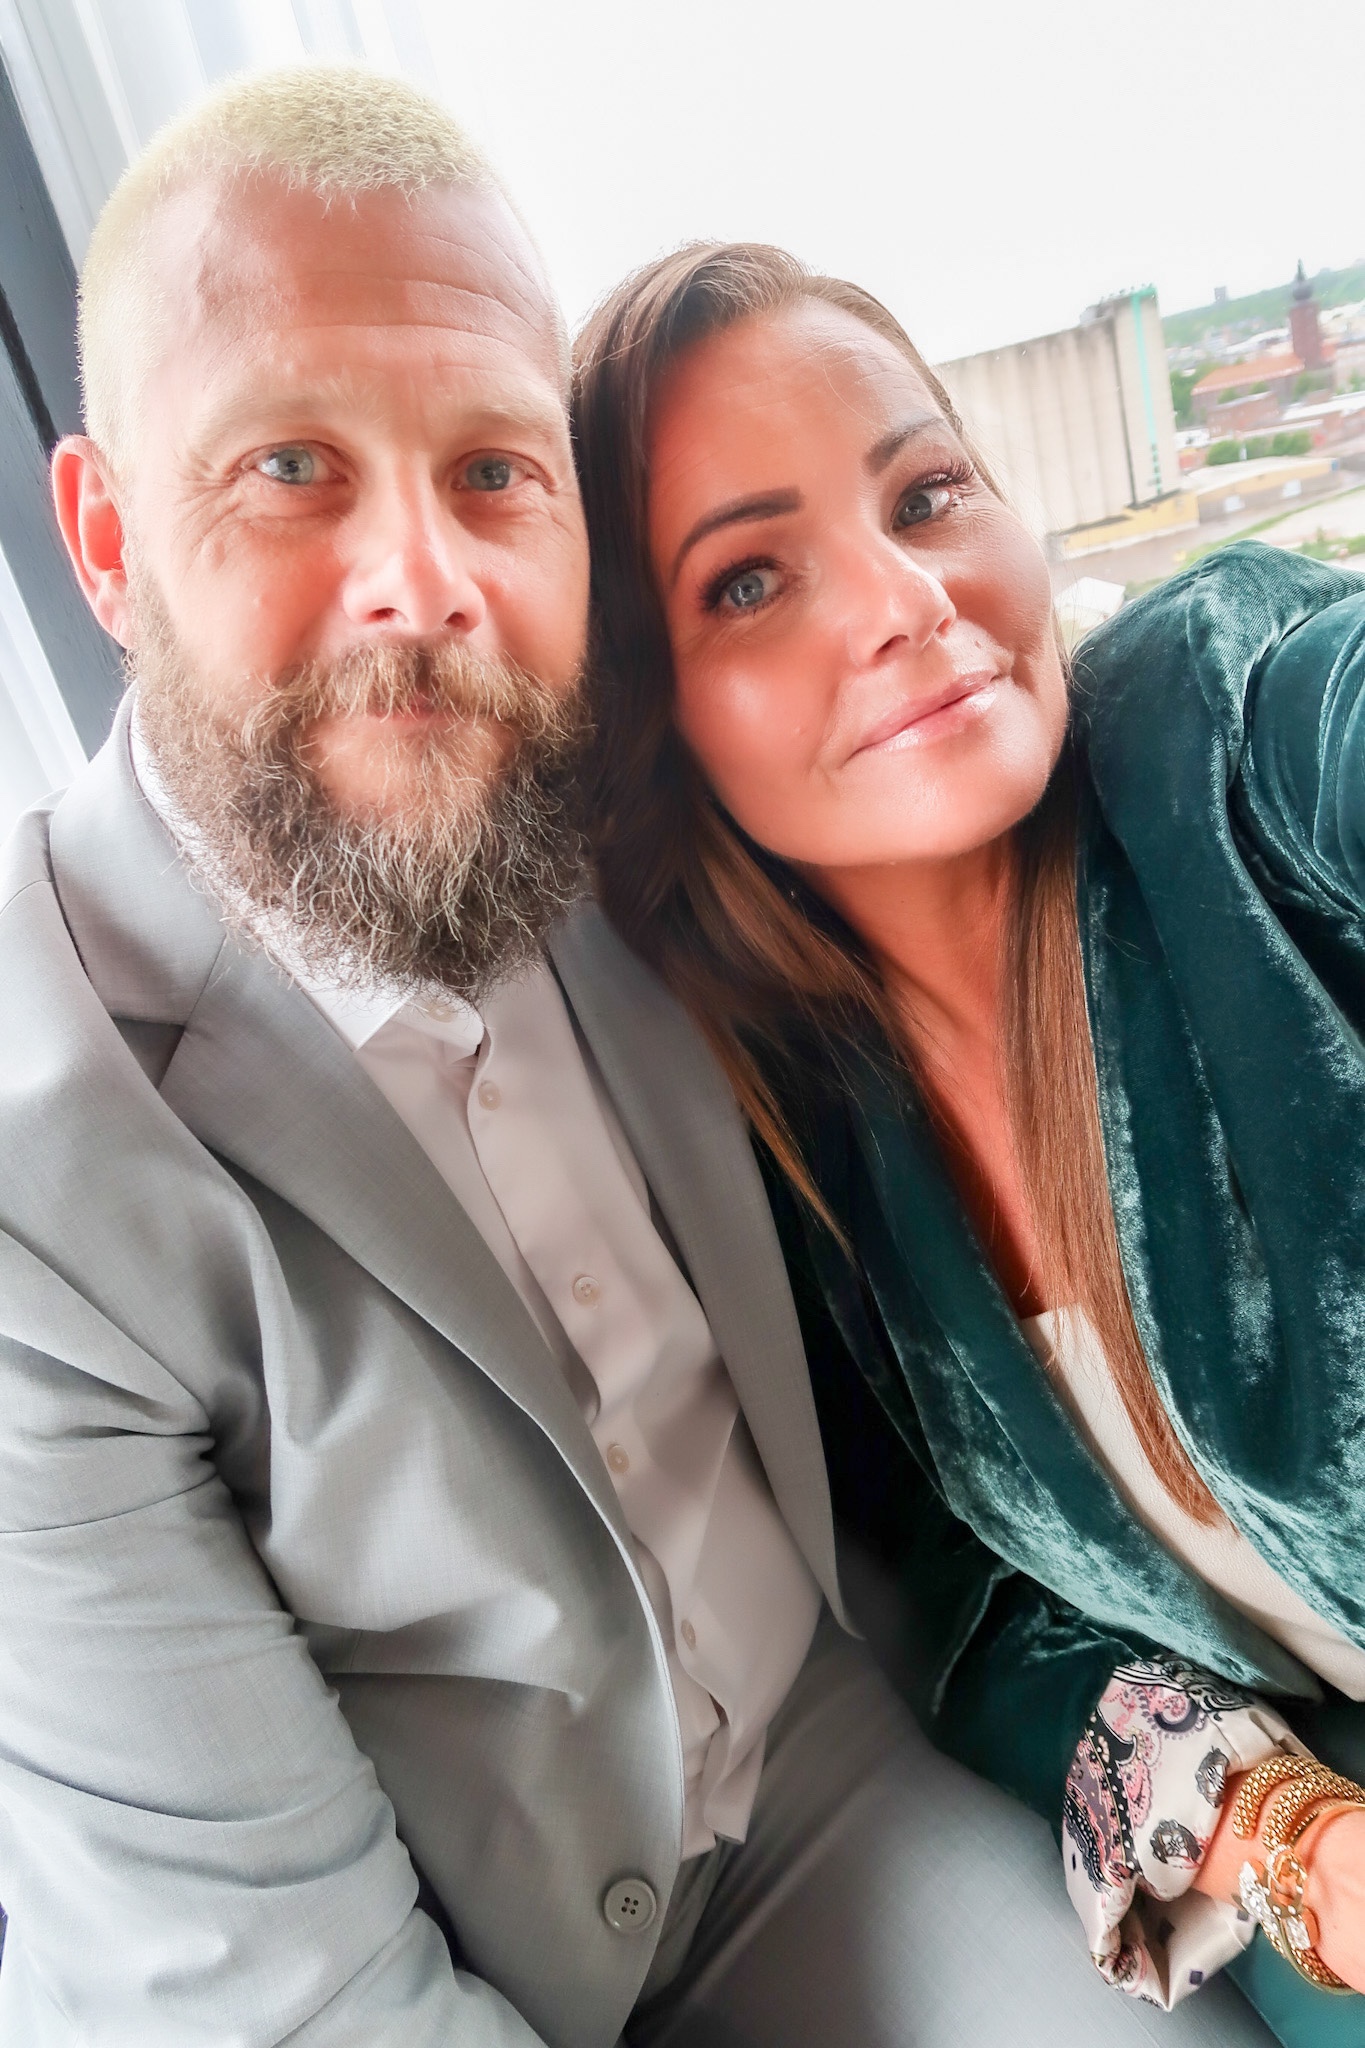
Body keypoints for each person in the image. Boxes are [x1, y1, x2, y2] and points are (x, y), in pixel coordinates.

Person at [0, 64, 1245, 2048]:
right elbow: (296, 2001)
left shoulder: (617, 798)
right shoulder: (31, 1175)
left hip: (826, 1790)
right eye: (291, 468)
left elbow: (940, 699)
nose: (423, 584)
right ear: (105, 537)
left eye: (494, 470)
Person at [571, 238, 1365, 2048]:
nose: (903, 597)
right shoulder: (787, 1157)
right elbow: (973, 1608)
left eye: (924, 495)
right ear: (652, 720)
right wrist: (1291, 1843)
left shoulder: (1230, 726)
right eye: (750, 580)